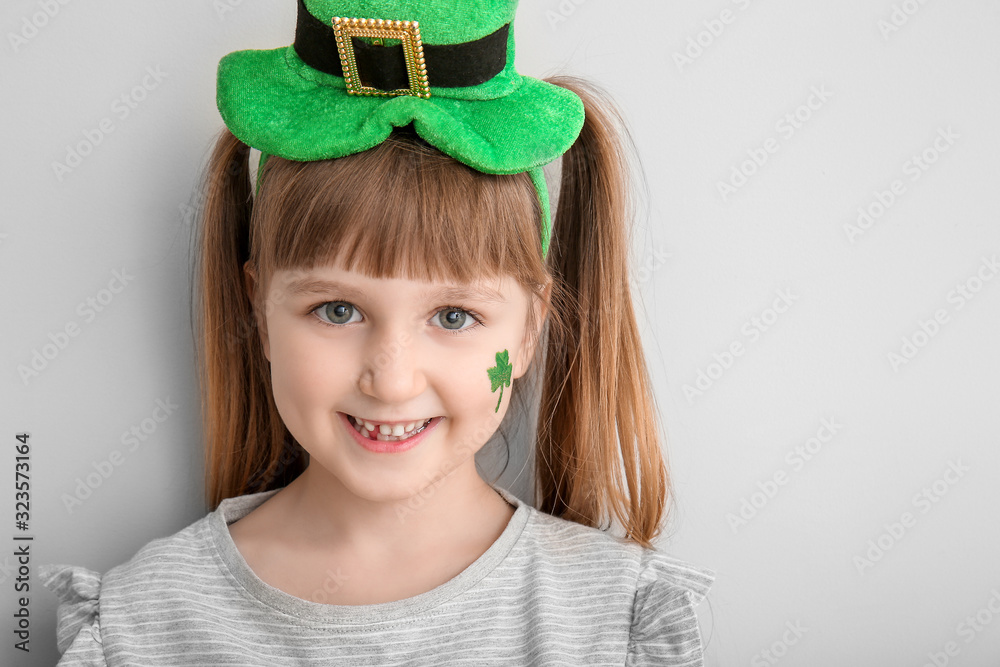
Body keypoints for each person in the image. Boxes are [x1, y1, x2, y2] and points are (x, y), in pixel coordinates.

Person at [41, 0, 715, 664]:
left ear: (531, 329)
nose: (391, 379)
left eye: (454, 317)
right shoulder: (139, 625)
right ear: (258, 311)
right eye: (337, 310)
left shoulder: (611, 622)